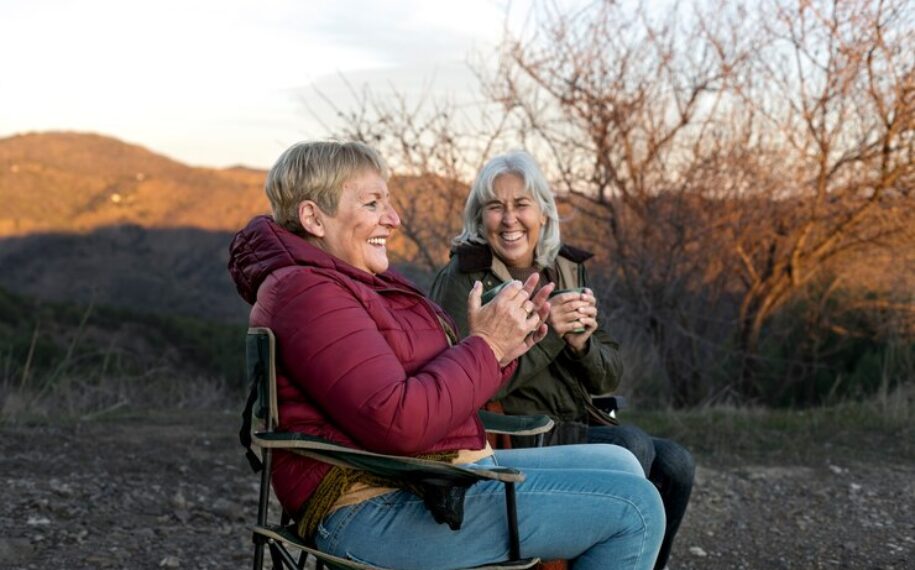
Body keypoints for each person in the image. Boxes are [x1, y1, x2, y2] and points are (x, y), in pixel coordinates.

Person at [228, 141, 664, 570]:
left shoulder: (347, 282)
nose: (393, 218)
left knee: (621, 460)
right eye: (372, 203)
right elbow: (400, 420)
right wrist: (486, 347)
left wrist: (506, 346)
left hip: (419, 475)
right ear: (313, 218)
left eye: (389, 202)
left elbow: (429, 383)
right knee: (636, 509)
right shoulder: (312, 294)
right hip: (371, 506)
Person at [429, 149, 694, 570]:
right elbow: (465, 386)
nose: (509, 219)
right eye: (495, 207)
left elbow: (608, 377)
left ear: (544, 214)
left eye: (521, 205)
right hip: (513, 431)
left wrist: (584, 345)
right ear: (480, 219)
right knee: (632, 445)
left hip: (573, 423)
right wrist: (550, 333)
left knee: (677, 463)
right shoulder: (465, 279)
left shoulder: (565, 269)